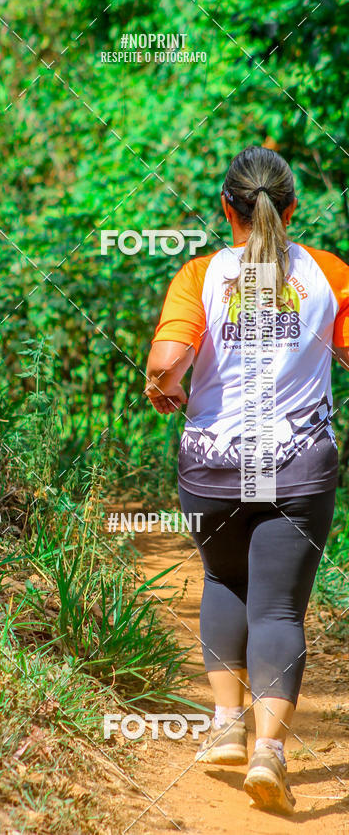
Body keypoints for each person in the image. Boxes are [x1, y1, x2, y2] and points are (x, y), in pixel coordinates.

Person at [144, 145, 349, 815]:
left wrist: (164, 389)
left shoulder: (201, 273)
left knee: (224, 580)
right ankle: (269, 751)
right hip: (297, 464)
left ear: (225, 208)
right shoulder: (328, 273)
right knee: (279, 609)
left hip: (214, 464)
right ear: (290, 209)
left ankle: (226, 725)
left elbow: (168, 363)